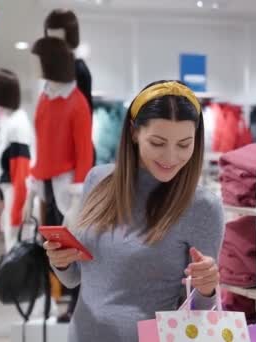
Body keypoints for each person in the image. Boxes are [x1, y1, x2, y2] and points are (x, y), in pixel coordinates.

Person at [43, 80, 224, 341]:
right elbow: (74, 278)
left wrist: (206, 290)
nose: (171, 157)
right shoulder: (97, 180)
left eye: (184, 144)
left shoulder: (202, 207)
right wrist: (60, 261)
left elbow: (199, 317)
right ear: (134, 133)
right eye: (158, 143)